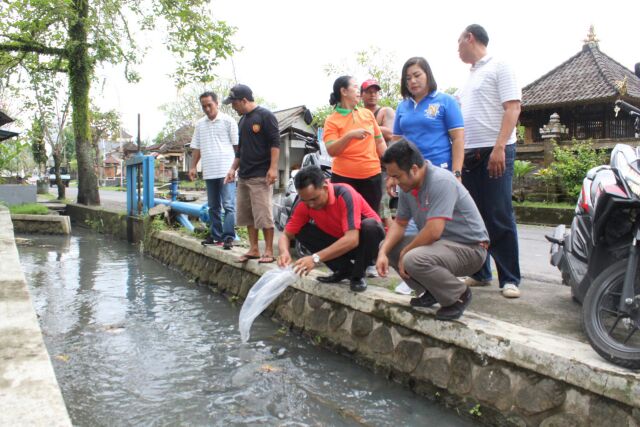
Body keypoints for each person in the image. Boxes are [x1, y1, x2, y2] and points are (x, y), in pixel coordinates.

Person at [376, 140, 489, 320]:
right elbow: (399, 223)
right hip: (440, 246)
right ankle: (431, 291)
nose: (394, 182)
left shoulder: (441, 180)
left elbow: (433, 231)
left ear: (413, 169)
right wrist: (383, 252)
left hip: (471, 249)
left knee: (413, 257)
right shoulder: (408, 187)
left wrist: (406, 251)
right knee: (388, 246)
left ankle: (458, 295)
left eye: (396, 176)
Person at [456, 24, 522, 298]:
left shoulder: (500, 66)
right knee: (475, 217)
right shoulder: (470, 76)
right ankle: (481, 272)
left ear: (469, 37)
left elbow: (513, 107)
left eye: (458, 42)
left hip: (496, 151)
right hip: (470, 154)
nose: (457, 49)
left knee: (498, 212)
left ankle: (509, 278)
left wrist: (499, 148)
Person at [277, 165, 385, 292]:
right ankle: (344, 270)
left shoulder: (345, 194)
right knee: (301, 231)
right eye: (306, 200)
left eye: (314, 199)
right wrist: (284, 252)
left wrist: (314, 258)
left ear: (325, 188)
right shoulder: (303, 203)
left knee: (370, 226)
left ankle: (357, 275)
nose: (311, 204)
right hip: (340, 241)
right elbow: (286, 235)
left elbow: (352, 239)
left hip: (366, 244)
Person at [223, 84, 280, 264]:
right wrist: (233, 168)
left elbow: (275, 143)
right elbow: (240, 150)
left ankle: (269, 251)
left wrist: (273, 168)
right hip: (244, 175)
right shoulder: (243, 120)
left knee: (263, 214)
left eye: (234, 103)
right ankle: (254, 248)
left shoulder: (265, 116)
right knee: (247, 215)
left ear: (244, 100)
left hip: (260, 175)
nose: (233, 107)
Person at [323, 76, 387, 214]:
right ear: (344, 91)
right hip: (343, 178)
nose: (359, 91)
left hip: (372, 177)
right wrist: (349, 135)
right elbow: (331, 150)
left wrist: (391, 167)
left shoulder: (367, 114)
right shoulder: (331, 120)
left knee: (371, 219)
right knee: (346, 219)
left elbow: (380, 142)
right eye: (355, 87)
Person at [392, 57, 464, 175]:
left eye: (417, 75)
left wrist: (457, 173)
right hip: (410, 172)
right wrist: (393, 175)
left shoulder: (446, 101)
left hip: (440, 170)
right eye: (408, 78)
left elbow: (458, 139)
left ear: (428, 75)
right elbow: (396, 142)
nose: (413, 81)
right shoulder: (402, 106)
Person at [189, 91, 238, 249]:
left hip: (226, 170)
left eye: (209, 105)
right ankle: (216, 236)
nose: (207, 109)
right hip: (209, 170)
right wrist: (192, 166)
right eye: (204, 106)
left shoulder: (228, 121)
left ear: (216, 103)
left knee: (229, 205)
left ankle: (229, 237)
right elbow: (196, 148)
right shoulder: (200, 124)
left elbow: (238, 147)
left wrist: (236, 168)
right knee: (213, 206)